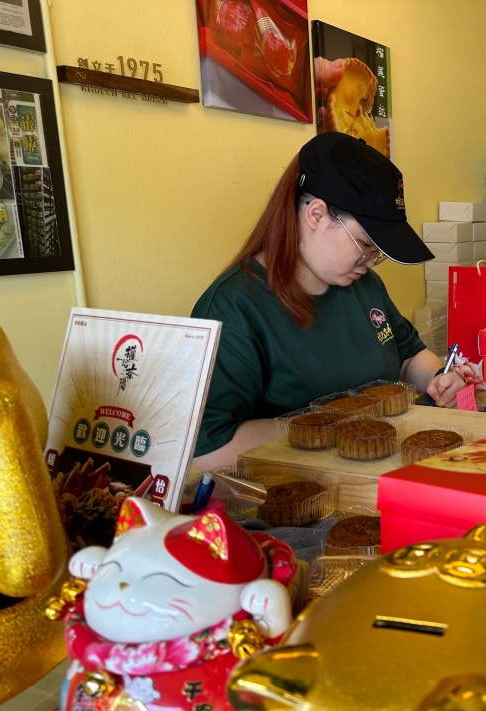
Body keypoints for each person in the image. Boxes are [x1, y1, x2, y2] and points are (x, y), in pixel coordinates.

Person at [192, 132, 465, 472]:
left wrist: (439, 377)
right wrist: (331, 427)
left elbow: (408, 355)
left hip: (378, 473)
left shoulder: (364, 286)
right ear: (317, 215)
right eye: (366, 244)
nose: (371, 261)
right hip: (291, 496)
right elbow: (208, 450)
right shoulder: (233, 308)